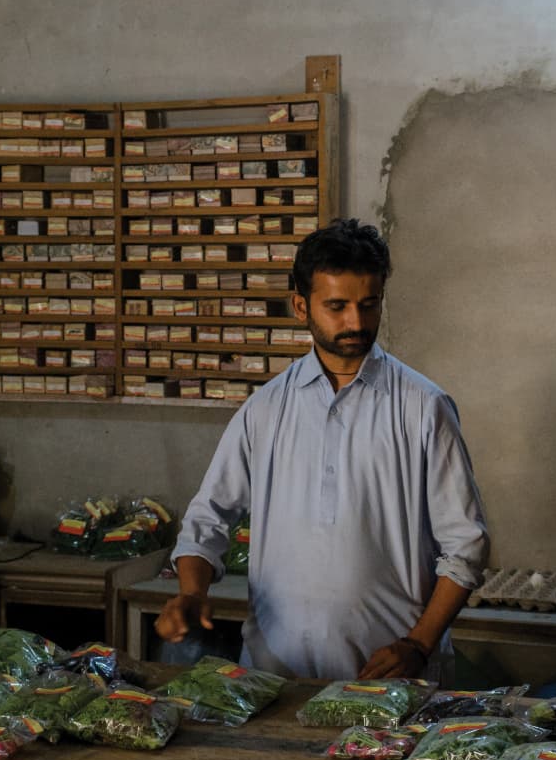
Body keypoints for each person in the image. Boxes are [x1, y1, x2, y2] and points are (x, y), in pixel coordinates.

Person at [155, 218, 489, 681]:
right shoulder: (266, 409)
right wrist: (192, 593)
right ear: (300, 306)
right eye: (337, 306)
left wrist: (419, 644)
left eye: (368, 305)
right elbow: (208, 518)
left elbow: (467, 545)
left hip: (389, 682)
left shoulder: (423, 407)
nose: (356, 322)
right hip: (275, 679)